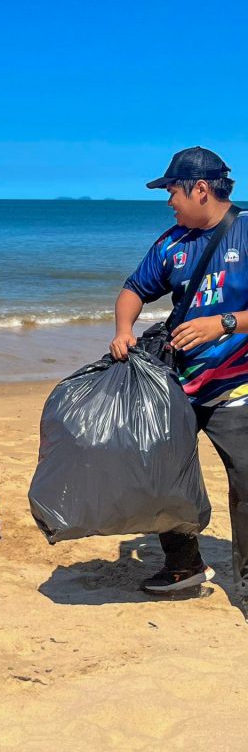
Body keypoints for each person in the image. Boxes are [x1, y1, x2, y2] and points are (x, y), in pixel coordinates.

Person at [111, 146, 248, 599]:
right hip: (179, 387)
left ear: (201, 189)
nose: (169, 200)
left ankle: (246, 581)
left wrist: (224, 323)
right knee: (161, 478)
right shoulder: (171, 243)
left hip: (238, 387)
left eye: (172, 191)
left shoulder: (245, 234)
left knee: (245, 485)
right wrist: (123, 330)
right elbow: (134, 289)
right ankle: (182, 566)